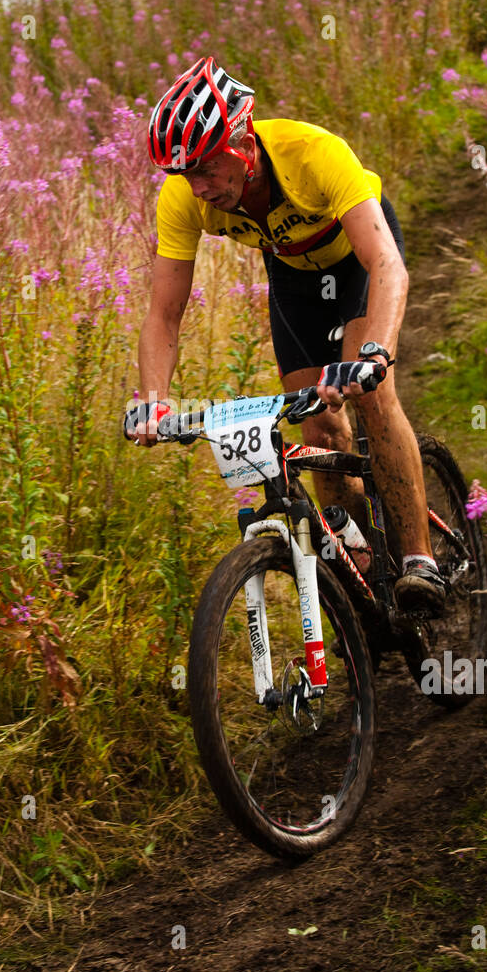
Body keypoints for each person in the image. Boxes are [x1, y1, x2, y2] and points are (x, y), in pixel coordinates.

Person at [129, 56, 444, 615]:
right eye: (184, 174)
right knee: (319, 427)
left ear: (244, 141)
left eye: (206, 168)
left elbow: (388, 266)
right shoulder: (184, 196)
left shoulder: (313, 153)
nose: (197, 187)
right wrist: (152, 400)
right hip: (295, 276)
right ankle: (364, 570)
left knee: (370, 393)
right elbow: (164, 312)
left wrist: (376, 353)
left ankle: (421, 562)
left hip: (359, 261)